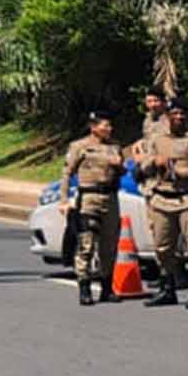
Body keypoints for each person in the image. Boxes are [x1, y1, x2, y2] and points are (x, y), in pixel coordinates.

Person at [137, 95, 188, 308]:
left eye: (182, 113)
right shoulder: (158, 139)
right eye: (175, 114)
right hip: (162, 199)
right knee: (162, 247)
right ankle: (167, 289)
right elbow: (143, 165)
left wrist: (180, 171)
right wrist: (154, 161)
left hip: (187, 198)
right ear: (168, 117)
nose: (179, 117)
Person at [59, 111, 124, 306]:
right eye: (105, 126)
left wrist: (120, 166)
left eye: (110, 126)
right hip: (88, 198)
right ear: (94, 127)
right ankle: (85, 287)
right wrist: (63, 200)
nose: (109, 129)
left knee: (109, 245)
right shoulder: (80, 146)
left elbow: (122, 171)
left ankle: (107, 287)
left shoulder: (115, 146)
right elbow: (66, 173)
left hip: (110, 198)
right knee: (86, 244)